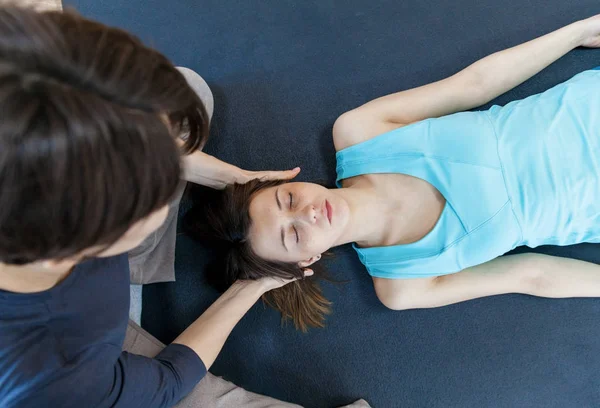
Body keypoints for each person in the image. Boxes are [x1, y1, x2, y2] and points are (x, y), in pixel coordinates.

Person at [0, 6, 377, 408]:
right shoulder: (56, 375)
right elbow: (168, 381)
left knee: (189, 88)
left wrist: (232, 178)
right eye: (158, 188)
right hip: (90, 355)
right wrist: (256, 283)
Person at [186, 14, 600, 329]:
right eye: (294, 234)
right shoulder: (402, 285)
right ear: (305, 261)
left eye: (288, 199)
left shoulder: (359, 132)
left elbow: (475, 84)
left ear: (290, 182)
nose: (308, 213)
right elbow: (532, 274)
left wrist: (579, 32)